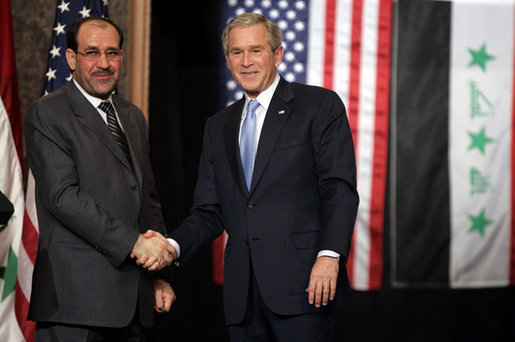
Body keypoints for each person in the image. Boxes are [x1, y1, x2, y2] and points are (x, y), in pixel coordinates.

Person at [141, 12, 358, 342]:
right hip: (242, 299)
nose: (246, 62)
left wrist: (329, 257)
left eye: (256, 50)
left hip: (305, 288)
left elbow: (338, 188)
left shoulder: (318, 105)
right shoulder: (219, 125)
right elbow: (209, 211)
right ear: (227, 60)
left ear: (278, 54)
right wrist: (171, 246)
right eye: (237, 52)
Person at [25, 17, 175, 342]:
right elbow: (63, 198)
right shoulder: (48, 114)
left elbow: (146, 199)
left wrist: (159, 272)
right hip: (77, 304)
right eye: (92, 52)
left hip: (135, 301)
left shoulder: (132, 116)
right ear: (71, 59)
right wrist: (136, 244)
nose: (104, 63)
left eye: (113, 53)